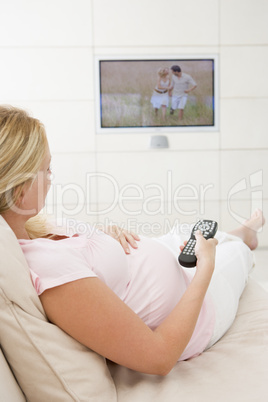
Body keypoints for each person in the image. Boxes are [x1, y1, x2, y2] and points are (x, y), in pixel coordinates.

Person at [0, 105, 265, 376]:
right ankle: (244, 239)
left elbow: (79, 261)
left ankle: (238, 233)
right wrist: (205, 269)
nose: (52, 178)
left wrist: (102, 237)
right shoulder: (49, 272)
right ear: (20, 189)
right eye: (46, 170)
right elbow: (158, 357)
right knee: (236, 256)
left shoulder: (29, 227)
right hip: (200, 315)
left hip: (165, 262)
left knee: (188, 232)